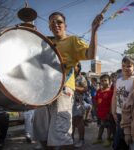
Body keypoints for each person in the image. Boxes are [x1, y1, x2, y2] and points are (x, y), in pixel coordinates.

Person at [33, 12, 103, 150]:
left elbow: (90, 54)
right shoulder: (45, 43)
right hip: (43, 92)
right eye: (52, 22)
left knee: (62, 135)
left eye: (59, 22)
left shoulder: (72, 41)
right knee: (43, 134)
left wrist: (94, 31)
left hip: (63, 90)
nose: (56, 24)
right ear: (49, 27)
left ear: (65, 25)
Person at [111, 56, 134, 150]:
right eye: (124, 66)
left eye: (129, 66)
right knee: (120, 137)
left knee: (125, 139)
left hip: (129, 115)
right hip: (119, 113)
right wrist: (113, 111)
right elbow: (114, 96)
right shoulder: (118, 81)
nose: (126, 68)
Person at [92, 74, 113, 147]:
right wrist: (95, 109)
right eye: (102, 81)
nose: (103, 82)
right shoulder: (98, 91)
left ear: (109, 81)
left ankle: (108, 139)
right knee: (101, 125)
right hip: (100, 113)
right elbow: (96, 100)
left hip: (107, 113)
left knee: (108, 126)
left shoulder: (111, 91)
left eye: (105, 80)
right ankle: (99, 138)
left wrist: (110, 112)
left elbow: (112, 103)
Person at [72, 63, 89, 148]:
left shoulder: (81, 78)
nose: (72, 66)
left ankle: (81, 140)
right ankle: (70, 139)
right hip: (68, 103)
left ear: (78, 68)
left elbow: (85, 89)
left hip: (78, 103)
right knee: (70, 122)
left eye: (74, 65)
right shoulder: (68, 77)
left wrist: (73, 87)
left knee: (79, 121)